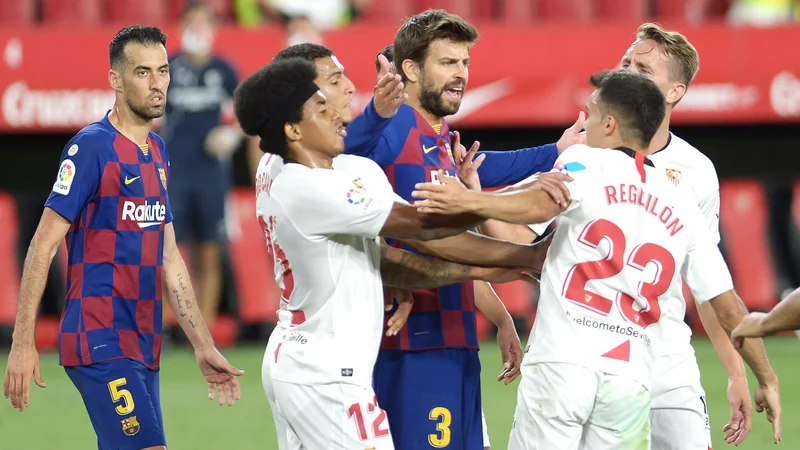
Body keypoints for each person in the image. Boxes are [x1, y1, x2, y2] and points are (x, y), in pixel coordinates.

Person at [412, 69, 782, 449]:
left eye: (589, 112)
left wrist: (470, 200)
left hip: (563, 363)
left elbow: (543, 202)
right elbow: (729, 307)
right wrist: (765, 377)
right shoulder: (681, 201)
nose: (582, 123)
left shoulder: (586, 162)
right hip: (628, 379)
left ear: (609, 123)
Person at [233, 57, 549, 449]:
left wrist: (496, 265)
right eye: (322, 103)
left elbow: (398, 259)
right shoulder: (306, 186)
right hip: (326, 374)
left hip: (304, 358)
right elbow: (423, 227)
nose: (338, 111)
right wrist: (511, 207)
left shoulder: (335, 170)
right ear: (293, 128)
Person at [343, 10, 584, 449]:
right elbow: (344, 159)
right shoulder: (396, 126)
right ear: (411, 70)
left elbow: (485, 179)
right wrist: (375, 113)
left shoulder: (438, 137)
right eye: (448, 63)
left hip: (454, 340)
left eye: (465, 63)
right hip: (412, 344)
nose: (461, 75)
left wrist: (499, 317)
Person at [2, 25, 243, 450]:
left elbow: (169, 258)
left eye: (164, 71)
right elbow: (42, 244)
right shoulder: (91, 148)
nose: (157, 84)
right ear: (116, 79)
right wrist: (22, 343)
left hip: (142, 342)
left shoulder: (158, 151)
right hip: (98, 337)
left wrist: (202, 344)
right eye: (143, 72)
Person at [161, 2, 242, 330]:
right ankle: (172, 325)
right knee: (168, 249)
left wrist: (231, 134)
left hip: (211, 172)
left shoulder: (224, 69)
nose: (198, 29)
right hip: (174, 169)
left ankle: (203, 326)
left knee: (209, 248)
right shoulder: (168, 67)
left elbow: (245, 113)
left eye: (204, 23)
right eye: (192, 23)